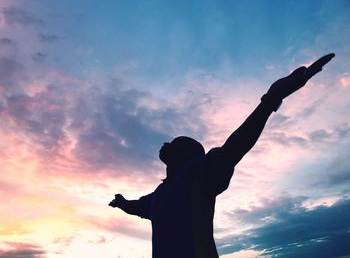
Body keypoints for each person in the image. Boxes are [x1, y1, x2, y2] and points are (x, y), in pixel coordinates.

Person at [109, 53, 335, 258]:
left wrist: (270, 100)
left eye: (177, 143)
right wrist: (121, 203)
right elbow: (136, 207)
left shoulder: (199, 173)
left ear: (191, 155)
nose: (167, 143)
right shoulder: (158, 195)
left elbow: (237, 145)